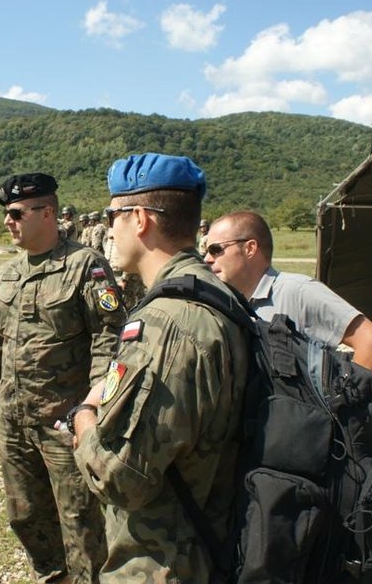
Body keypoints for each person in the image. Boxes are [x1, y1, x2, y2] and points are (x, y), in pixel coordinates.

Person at [72, 153, 249, 583]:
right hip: (210, 542)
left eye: (114, 214)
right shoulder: (216, 293)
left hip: (164, 563)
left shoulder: (167, 324)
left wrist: (84, 417)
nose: (110, 228)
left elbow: (123, 479)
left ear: (139, 220)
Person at [0, 172, 126, 584]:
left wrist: (95, 407)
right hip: (15, 424)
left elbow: (109, 338)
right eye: (6, 214)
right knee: (26, 517)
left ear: (48, 212)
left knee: (81, 527)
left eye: (16, 213)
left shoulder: (84, 266)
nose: (8, 221)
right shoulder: (6, 274)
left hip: (65, 425)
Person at [204, 210, 372, 378]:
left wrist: (349, 409)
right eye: (206, 251)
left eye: (216, 249)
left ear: (250, 248)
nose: (207, 259)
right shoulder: (230, 301)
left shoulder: (298, 291)